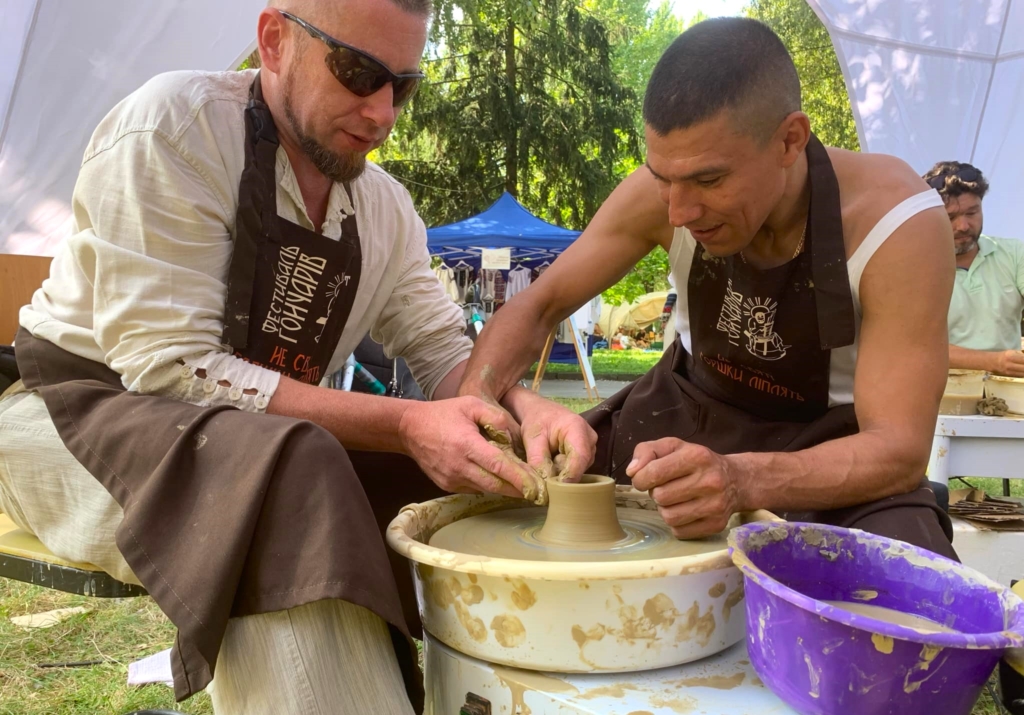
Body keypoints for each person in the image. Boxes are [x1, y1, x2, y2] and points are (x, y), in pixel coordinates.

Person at [0, 1, 585, 713]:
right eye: (358, 71)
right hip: (68, 413)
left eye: (403, 86)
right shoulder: (172, 131)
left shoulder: (386, 209)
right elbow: (169, 368)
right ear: (275, 40)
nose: (381, 113)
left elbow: (444, 358)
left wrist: (523, 406)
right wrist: (402, 424)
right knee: (285, 478)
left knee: (438, 478)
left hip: (260, 444)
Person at [460, 17, 957, 560]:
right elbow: (539, 306)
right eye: (662, 178)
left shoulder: (896, 223)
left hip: (833, 449)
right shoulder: (666, 193)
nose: (679, 211)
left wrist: (741, 479)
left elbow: (898, 449)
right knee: (503, 513)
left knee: (916, 596)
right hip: (680, 413)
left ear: (790, 140)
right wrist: (477, 406)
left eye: (709, 181)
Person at [923, 162, 1024, 377]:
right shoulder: (913, 267)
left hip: (1008, 397)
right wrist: (994, 361)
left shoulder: (1015, 253)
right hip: (942, 399)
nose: (963, 226)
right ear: (928, 216)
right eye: (950, 217)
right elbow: (916, 346)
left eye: (972, 212)